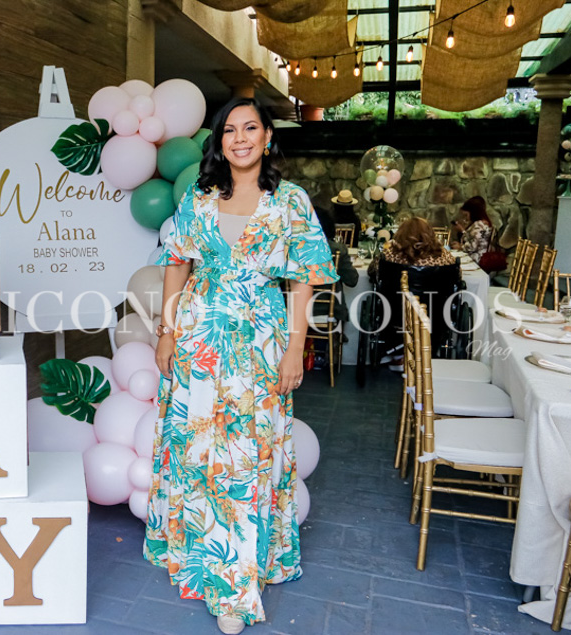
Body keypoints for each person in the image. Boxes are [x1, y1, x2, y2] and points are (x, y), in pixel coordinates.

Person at [146, 96, 338, 634]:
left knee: (248, 451)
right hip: (198, 339)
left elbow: (304, 278)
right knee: (197, 446)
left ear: (268, 137)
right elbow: (176, 264)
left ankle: (235, 585)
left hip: (259, 340)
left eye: (250, 128)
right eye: (229, 130)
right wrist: (167, 332)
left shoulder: (290, 201)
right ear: (219, 141)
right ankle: (197, 556)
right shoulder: (199, 196)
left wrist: (296, 347)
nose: (240, 138)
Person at [368, 216, 458, 366]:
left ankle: (398, 354)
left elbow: (372, 272)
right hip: (436, 314)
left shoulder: (389, 256)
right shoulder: (445, 257)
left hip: (395, 312)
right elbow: (456, 279)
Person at [316, 207, 359, 323]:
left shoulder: (290, 249)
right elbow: (352, 280)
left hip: (294, 308)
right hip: (328, 310)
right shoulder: (336, 249)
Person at [449, 196, 493, 263]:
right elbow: (473, 239)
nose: (466, 218)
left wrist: (460, 247)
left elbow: (472, 246)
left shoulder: (479, 225)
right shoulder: (481, 224)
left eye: (466, 215)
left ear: (473, 212)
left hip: (476, 259)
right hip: (477, 256)